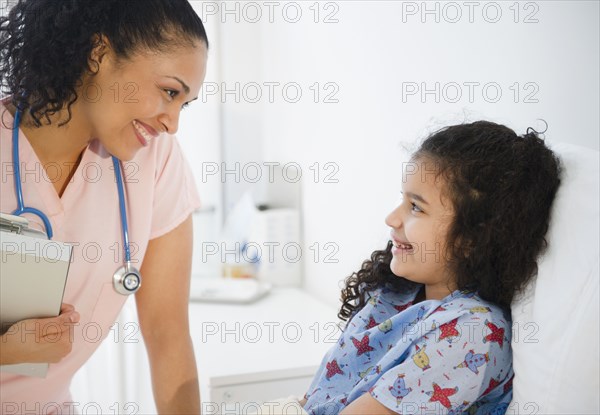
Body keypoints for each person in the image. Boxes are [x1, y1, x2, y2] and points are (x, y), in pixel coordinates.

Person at [0, 0, 208, 412]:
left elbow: (168, 335)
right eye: (169, 92)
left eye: (183, 104)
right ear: (98, 54)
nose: (173, 122)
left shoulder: (156, 159)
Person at [299, 121, 562, 414]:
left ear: (472, 237)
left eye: (416, 207)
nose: (391, 219)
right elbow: (323, 396)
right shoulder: (394, 293)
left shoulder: (473, 333)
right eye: (403, 199)